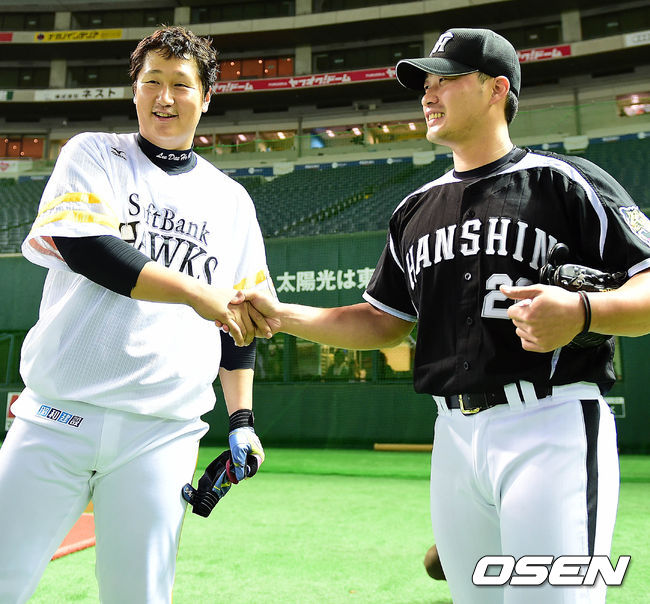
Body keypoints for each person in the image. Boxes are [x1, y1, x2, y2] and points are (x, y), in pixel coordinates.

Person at [243, 28, 650, 604]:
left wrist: (585, 311)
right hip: (454, 437)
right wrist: (282, 315)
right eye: (425, 85)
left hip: (550, 423)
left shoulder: (564, 182)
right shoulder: (415, 209)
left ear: (496, 89)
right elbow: (382, 321)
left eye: (446, 80)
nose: (428, 95)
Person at [0, 26, 272, 603]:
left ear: (206, 97)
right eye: (152, 82)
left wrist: (242, 419)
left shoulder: (231, 201)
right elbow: (88, 248)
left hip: (160, 432)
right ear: (135, 90)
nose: (164, 98)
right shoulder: (94, 153)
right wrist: (196, 294)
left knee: (139, 596)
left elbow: (239, 323)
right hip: (56, 416)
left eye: (181, 84)